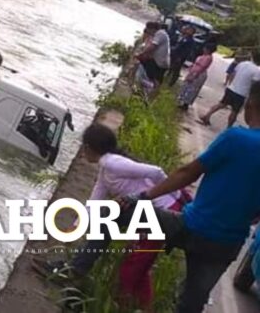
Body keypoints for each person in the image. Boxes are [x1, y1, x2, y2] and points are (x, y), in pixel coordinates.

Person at [40, 84, 260, 313]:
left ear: (250, 105)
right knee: (191, 301)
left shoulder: (236, 138)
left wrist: (142, 197)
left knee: (110, 216)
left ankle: (74, 271)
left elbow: (188, 173)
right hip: (226, 244)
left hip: (191, 225)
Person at [80, 124, 186, 311]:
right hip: (148, 215)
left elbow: (156, 171)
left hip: (163, 212)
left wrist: (177, 196)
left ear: (88, 147)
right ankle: (142, 307)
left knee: (133, 266)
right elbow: (94, 200)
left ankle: (123, 304)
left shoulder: (111, 163)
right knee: (139, 265)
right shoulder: (106, 169)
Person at [199, 50, 260, 127]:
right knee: (234, 111)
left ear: (252, 57)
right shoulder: (257, 71)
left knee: (221, 104)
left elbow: (232, 74)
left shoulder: (242, 64)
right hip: (241, 94)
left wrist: (230, 84)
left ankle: (207, 115)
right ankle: (229, 127)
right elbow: (254, 86)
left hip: (231, 89)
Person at [177, 43, 215, 110]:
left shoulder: (208, 58)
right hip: (194, 72)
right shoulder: (204, 55)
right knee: (187, 86)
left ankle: (186, 104)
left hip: (198, 74)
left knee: (192, 89)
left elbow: (201, 67)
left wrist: (194, 75)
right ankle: (182, 100)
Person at [136, 22, 170, 93]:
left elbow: (152, 47)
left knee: (153, 79)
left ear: (152, 29)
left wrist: (141, 54)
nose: (148, 32)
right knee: (151, 77)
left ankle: (151, 90)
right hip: (158, 61)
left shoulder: (160, 34)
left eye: (148, 30)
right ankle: (148, 90)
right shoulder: (159, 34)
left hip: (160, 62)